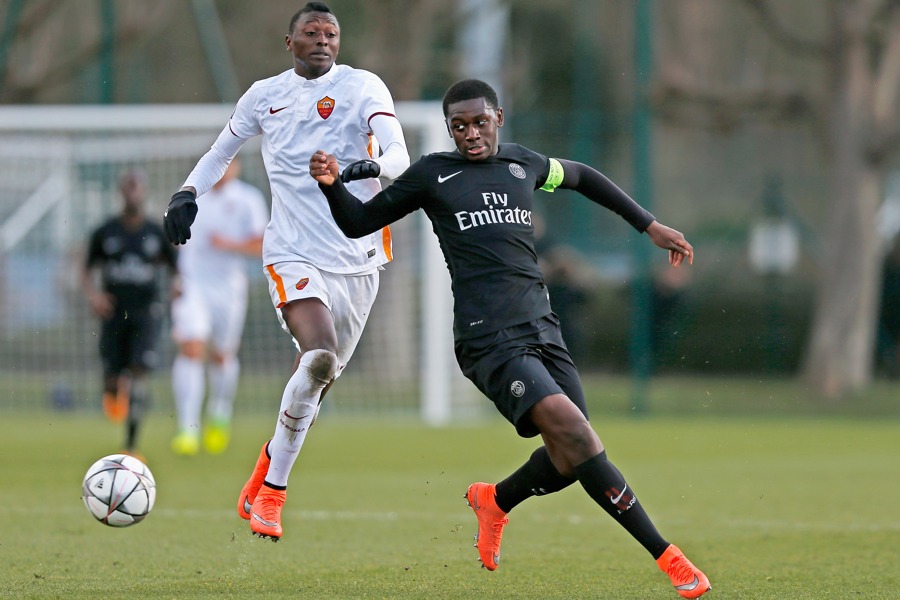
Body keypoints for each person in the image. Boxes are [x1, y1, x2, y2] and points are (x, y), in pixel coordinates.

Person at [309, 79, 711, 598]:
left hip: (543, 332)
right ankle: (671, 560)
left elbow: (585, 178)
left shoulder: (526, 165)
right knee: (579, 436)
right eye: (459, 126)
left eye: (479, 122)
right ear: (450, 127)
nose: (470, 134)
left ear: (498, 117)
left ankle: (494, 500)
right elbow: (359, 221)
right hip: (487, 341)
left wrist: (648, 225)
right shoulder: (433, 173)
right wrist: (330, 184)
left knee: (570, 460)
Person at [162, 2, 409, 540]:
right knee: (316, 358)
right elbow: (220, 150)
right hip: (291, 252)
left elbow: (398, 156)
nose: (323, 40)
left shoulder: (363, 86)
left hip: (359, 258)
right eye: (311, 32)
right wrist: (187, 192)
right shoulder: (264, 96)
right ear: (289, 42)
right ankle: (274, 493)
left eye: (331, 33)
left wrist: (363, 168)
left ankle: (268, 461)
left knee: (317, 386)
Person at [169, 157, 268, 456]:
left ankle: (220, 411)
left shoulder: (248, 199)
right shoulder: (191, 195)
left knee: (222, 356)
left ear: (236, 167)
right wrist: (174, 276)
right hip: (193, 285)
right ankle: (187, 429)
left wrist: (229, 245)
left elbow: (262, 244)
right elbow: (173, 238)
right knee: (191, 347)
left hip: (228, 289)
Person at [82, 168, 179, 458]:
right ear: (121, 192)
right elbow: (86, 269)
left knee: (138, 375)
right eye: (128, 187)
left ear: (144, 192)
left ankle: (131, 444)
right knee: (113, 378)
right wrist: (94, 296)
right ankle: (111, 389)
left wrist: (176, 286)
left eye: (137, 187)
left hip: (146, 314)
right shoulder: (106, 232)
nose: (132, 193)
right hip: (113, 314)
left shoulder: (155, 232)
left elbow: (176, 268)